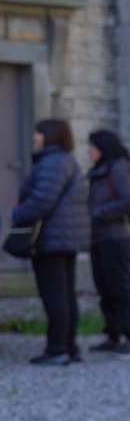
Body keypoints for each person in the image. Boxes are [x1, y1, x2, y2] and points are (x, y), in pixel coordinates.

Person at [11, 120, 90, 365]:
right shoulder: (65, 160)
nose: (34, 137)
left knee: (55, 296)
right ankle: (69, 346)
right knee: (65, 295)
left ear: (49, 136)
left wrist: (18, 215)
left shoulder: (52, 162)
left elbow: (43, 200)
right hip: (64, 236)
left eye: (38, 133)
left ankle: (57, 348)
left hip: (52, 238)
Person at [86, 130, 130, 358]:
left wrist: (98, 214)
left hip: (115, 239)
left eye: (92, 146)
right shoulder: (98, 171)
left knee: (121, 289)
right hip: (98, 239)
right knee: (105, 290)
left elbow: (127, 199)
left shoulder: (118, 168)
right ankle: (113, 335)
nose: (88, 151)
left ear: (103, 148)